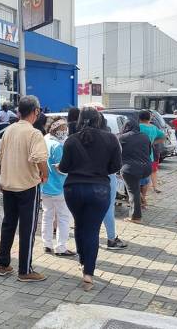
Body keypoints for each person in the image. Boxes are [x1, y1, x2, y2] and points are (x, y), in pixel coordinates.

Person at [59, 107, 122, 291]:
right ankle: (88, 273)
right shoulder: (111, 139)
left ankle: (82, 259)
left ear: (79, 121)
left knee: (79, 224)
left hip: (73, 189)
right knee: (92, 230)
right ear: (99, 120)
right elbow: (115, 166)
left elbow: (64, 167)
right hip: (99, 190)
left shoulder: (71, 140)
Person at [0, 95, 49, 282]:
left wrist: (3, 178)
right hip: (27, 186)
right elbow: (40, 158)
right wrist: (45, 174)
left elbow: (0, 158)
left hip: (8, 185)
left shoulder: (9, 130)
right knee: (27, 228)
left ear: (19, 112)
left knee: (8, 224)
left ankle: (2, 264)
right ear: (35, 111)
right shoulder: (34, 133)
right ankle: (25, 270)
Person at [41, 117, 76, 257]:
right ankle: (61, 247)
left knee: (47, 215)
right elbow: (62, 168)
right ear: (55, 129)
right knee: (63, 217)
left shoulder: (45, 139)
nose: (65, 131)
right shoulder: (58, 146)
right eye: (62, 129)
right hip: (60, 187)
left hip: (45, 185)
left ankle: (47, 244)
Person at [98, 116, 128, 249]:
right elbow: (117, 163)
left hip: (88, 179)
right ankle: (111, 239)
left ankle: (91, 238)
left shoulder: (79, 138)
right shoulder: (111, 138)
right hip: (108, 177)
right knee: (108, 208)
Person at [118, 120, 152, 226]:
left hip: (130, 168)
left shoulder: (122, 138)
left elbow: (117, 153)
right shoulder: (145, 136)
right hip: (146, 168)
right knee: (135, 189)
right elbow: (149, 151)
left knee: (133, 191)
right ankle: (142, 201)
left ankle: (135, 216)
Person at [137, 110, 165, 210]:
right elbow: (163, 137)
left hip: (138, 155)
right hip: (149, 156)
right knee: (145, 180)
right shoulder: (154, 128)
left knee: (136, 180)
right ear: (149, 118)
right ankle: (143, 200)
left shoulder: (138, 127)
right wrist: (153, 142)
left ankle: (138, 200)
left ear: (139, 118)